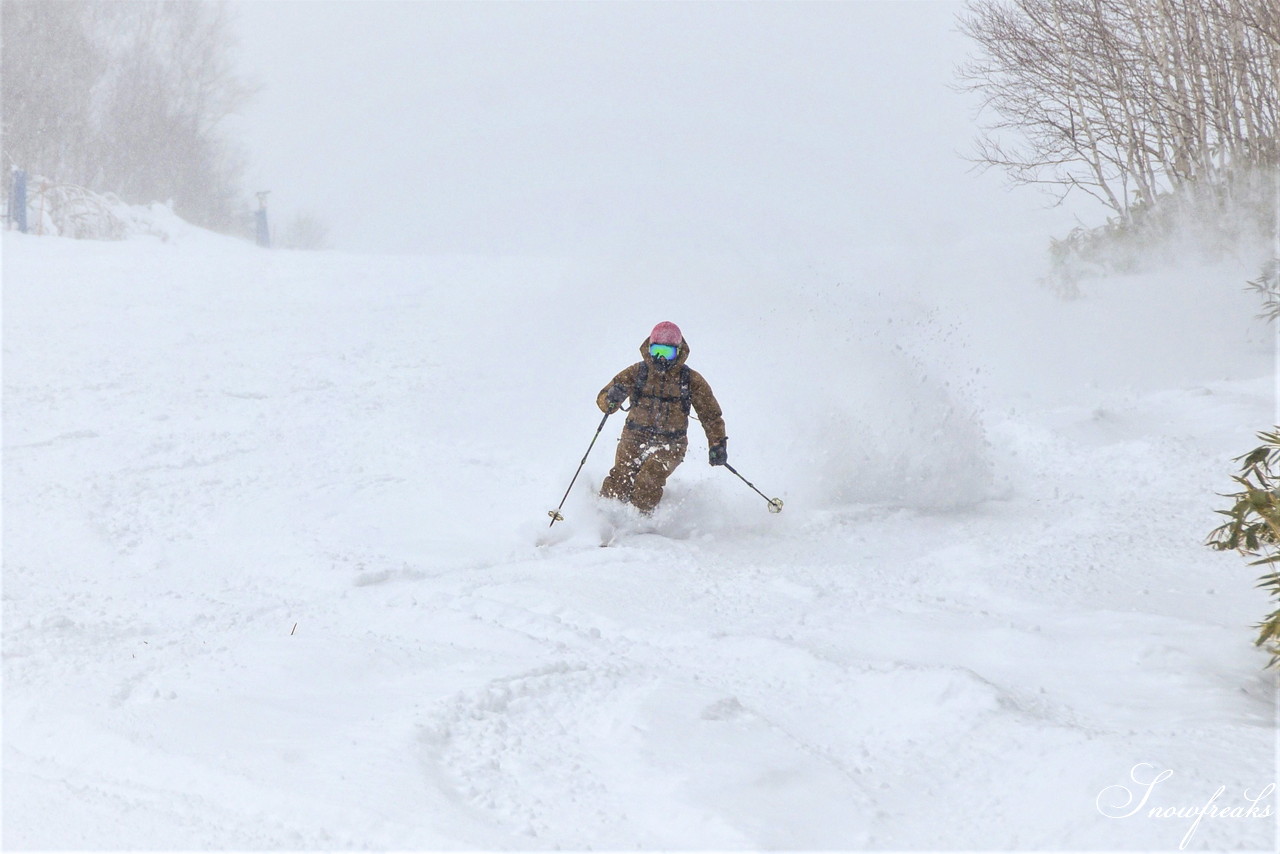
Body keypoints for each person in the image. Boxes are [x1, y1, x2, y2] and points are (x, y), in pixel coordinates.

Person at [596, 321, 727, 514]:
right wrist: (611, 398)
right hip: (634, 435)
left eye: (667, 353)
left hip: (671, 443)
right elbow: (603, 400)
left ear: (679, 352)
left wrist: (717, 445)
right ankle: (603, 517)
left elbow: (711, 415)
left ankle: (637, 521)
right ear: (649, 349)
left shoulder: (690, 380)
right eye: (657, 351)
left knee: (649, 477)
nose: (661, 358)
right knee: (621, 476)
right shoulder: (637, 372)